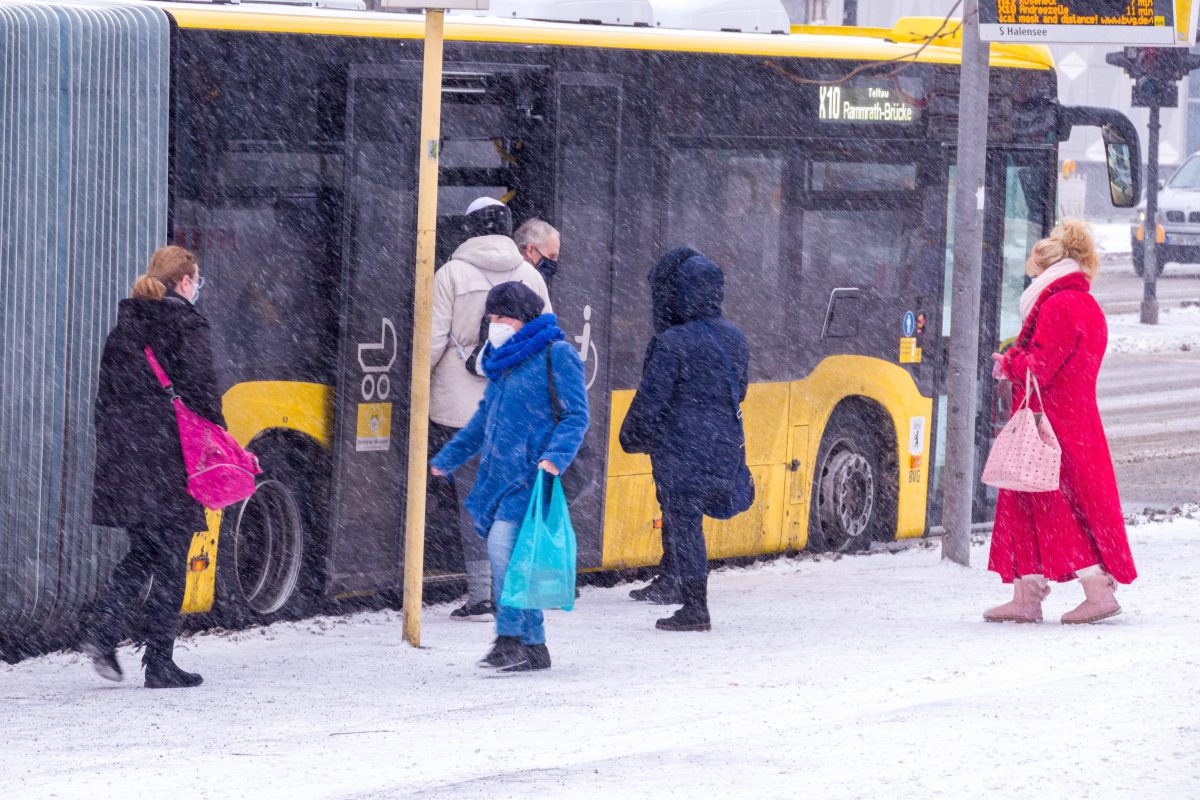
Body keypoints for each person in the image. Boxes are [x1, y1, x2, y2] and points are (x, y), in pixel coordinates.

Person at [80, 246, 223, 688]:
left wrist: (122, 449)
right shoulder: (186, 324)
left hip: (127, 458)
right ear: (184, 282)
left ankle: (103, 632)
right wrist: (223, 444)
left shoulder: (124, 327)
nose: (197, 288)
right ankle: (158, 662)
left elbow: (106, 399)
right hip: (168, 456)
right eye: (196, 280)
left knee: (146, 550)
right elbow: (202, 393)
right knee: (173, 557)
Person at [984, 220, 1137, 624]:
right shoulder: (1084, 303)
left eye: (1033, 269)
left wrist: (1010, 361)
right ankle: (1026, 595)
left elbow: (1041, 366)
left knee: (1050, 505)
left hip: (1049, 423)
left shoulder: (1056, 306)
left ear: (1048, 269)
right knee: (1036, 500)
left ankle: (1095, 590)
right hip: (1072, 420)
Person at [431, 282, 589, 671]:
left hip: (533, 478)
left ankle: (510, 639)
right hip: (499, 478)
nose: (494, 324)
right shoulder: (504, 361)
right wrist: (447, 458)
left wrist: (554, 458)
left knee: (505, 556)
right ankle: (535, 647)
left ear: (521, 318)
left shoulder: (558, 354)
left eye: (501, 317)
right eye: (491, 317)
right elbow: (484, 419)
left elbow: (576, 415)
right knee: (516, 561)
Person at [430, 198, 551, 621]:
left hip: (460, 410)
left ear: (469, 229)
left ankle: (481, 594)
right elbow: (545, 339)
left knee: (473, 499)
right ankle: (508, 591)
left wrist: (417, 388)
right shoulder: (530, 275)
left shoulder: (450, 273)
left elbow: (433, 341)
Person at [619, 252, 751, 632]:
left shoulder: (673, 341)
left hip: (681, 447)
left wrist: (632, 436)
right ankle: (690, 599)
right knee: (690, 522)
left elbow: (652, 399)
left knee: (685, 522)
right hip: (723, 443)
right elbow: (738, 392)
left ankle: (695, 607)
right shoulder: (735, 337)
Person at [625, 246, 700, 606]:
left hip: (675, 433)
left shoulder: (673, 338)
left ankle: (677, 578)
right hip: (688, 432)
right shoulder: (704, 331)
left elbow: (656, 390)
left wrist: (640, 429)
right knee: (677, 506)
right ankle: (676, 574)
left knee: (676, 506)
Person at [513, 218, 561, 290]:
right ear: (530, 250)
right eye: (551, 256)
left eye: (556, 258)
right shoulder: (526, 287)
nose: (554, 262)